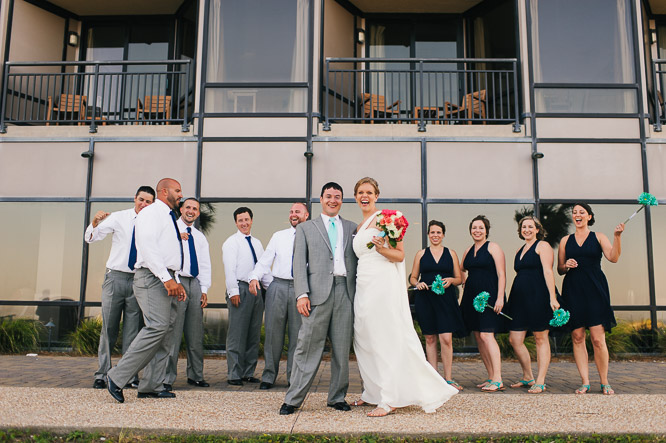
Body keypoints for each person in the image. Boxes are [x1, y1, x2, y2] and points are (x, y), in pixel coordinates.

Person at [352, 178, 458, 417]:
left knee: (383, 338)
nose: (364, 195)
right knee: (364, 338)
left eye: (369, 192)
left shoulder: (387, 218)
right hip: (363, 284)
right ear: (356, 196)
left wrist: (380, 248)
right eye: (360, 192)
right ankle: (373, 392)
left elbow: (399, 255)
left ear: (376, 195)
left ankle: (389, 399)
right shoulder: (360, 226)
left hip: (382, 284)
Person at [105, 178, 187, 403]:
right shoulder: (151, 213)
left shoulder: (169, 217)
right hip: (152, 278)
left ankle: (151, 385)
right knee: (157, 326)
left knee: (166, 332)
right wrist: (165, 278)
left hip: (166, 277)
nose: (181, 194)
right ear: (164, 191)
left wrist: (175, 280)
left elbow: (169, 252)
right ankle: (117, 376)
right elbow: (148, 246)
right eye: (177, 190)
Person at [279, 182, 358, 416]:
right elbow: (298, 264)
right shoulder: (306, 228)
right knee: (306, 347)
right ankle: (293, 399)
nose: (333, 200)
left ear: (342, 200)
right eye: (328, 196)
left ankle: (336, 397)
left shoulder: (353, 227)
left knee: (342, 350)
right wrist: (301, 294)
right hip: (316, 294)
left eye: (337, 196)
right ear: (321, 199)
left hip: (345, 291)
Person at [85, 185, 155, 390]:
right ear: (135, 198)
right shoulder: (119, 217)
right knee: (108, 328)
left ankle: (127, 376)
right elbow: (92, 238)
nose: (144, 204)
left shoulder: (153, 224)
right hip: (115, 278)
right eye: (141, 199)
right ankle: (102, 373)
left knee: (133, 332)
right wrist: (95, 223)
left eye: (148, 202)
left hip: (138, 281)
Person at [557, 203, 624, 395]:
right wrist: (566, 265)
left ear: (589, 216)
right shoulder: (565, 241)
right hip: (573, 289)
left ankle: (604, 381)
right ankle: (585, 382)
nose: (577, 215)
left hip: (595, 289)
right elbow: (560, 269)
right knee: (577, 337)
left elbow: (613, 257)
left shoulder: (599, 237)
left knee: (597, 338)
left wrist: (617, 237)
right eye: (575, 213)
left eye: (581, 212)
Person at [249, 202, 309, 390]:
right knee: (273, 335)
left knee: (297, 335)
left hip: (301, 290)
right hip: (278, 287)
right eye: (291, 212)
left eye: (297, 212)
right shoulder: (278, 236)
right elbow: (265, 260)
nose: (293, 214)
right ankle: (269, 376)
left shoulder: (312, 236)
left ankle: (293, 377)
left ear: (306, 215)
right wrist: (254, 277)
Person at [505, 216, 559, 394]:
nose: (526, 229)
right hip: (519, 299)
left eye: (530, 226)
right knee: (515, 339)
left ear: (537, 229)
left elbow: (548, 270)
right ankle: (528, 376)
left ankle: (541, 380)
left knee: (540, 337)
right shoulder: (520, 250)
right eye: (523, 227)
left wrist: (552, 297)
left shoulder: (542, 246)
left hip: (539, 296)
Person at [409, 220, 466, 391]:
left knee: (446, 339)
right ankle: (433, 377)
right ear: (428, 234)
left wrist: (451, 280)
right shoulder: (420, 254)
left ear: (443, 234)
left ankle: (448, 378)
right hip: (425, 299)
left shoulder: (451, 253)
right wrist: (417, 284)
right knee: (430, 338)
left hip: (446, 300)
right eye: (432, 232)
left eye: (438, 232)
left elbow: (459, 278)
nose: (435, 235)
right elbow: (412, 277)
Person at [163, 198, 211, 391]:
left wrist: (205, 289)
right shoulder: (170, 230)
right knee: (173, 333)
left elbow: (206, 264)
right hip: (177, 281)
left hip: (195, 283)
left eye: (195, 209)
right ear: (181, 209)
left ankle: (196, 375)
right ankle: (166, 378)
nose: (191, 211)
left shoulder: (199, 237)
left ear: (198, 213)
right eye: (188, 207)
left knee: (195, 334)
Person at [222, 207, 271, 386]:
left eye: (246, 219)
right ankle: (234, 374)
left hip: (256, 291)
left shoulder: (257, 243)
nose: (244, 223)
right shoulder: (231, 242)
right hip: (240, 289)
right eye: (240, 220)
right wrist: (232, 291)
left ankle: (248, 372)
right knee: (237, 334)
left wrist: (269, 289)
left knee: (253, 334)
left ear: (251, 220)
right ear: (236, 222)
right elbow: (229, 269)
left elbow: (263, 268)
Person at [460, 215, 507, 392]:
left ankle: (498, 378)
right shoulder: (468, 250)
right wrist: (464, 281)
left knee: (488, 335)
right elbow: (461, 268)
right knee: (479, 337)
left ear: (486, 230)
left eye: (480, 228)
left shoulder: (493, 247)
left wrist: (500, 297)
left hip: (490, 297)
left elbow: (502, 274)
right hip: (471, 297)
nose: (477, 231)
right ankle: (490, 376)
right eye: (474, 228)